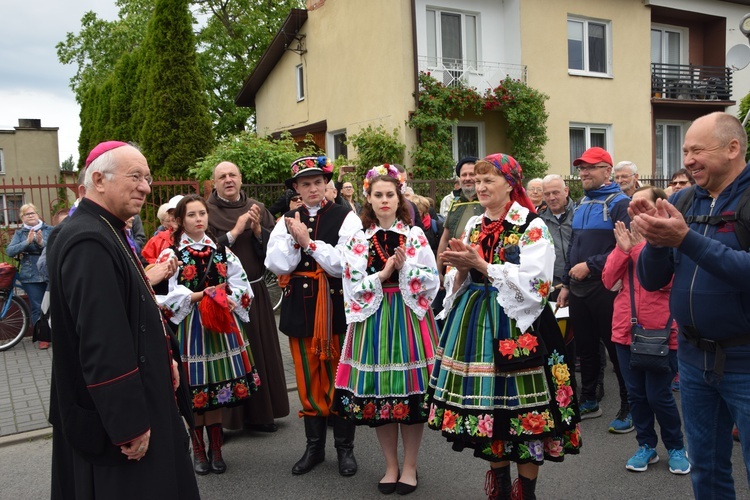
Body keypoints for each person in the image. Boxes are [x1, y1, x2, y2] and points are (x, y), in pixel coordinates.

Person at [47, 141, 199, 500]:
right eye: (135, 177)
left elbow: (135, 309)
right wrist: (128, 425)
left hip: (142, 392)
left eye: (146, 178)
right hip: (119, 421)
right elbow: (103, 342)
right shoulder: (89, 239)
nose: (145, 187)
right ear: (98, 179)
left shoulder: (106, 228)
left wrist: (167, 357)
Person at [427, 153, 581, 500]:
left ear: (509, 184)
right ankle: (498, 487)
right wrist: (463, 269)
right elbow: (458, 277)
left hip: (521, 323)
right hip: (476, 322)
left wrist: (482, 263)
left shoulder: (532, 224)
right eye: (477, 181)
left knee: (527, 413)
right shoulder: (474, 224)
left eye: (488, 180)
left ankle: (524, 492)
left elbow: (538, 285)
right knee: (490, 411)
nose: (480, 187)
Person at [632, 112, 750, 499]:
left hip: (745, 359)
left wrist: (685, 239)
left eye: (698, 150)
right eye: (685, 151)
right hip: (693, 359)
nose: (688, 160)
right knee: (707, 468)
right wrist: (653, 239)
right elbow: (651, 280)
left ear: (733, 148)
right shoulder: (682, 199)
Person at [332, 165, 438, 495]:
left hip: (408, 317)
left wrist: (405, 269)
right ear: (368, 199)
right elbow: (351, 285)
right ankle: (390, 465)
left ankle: (410, 466)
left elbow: (432, 278)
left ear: (399, 196)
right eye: (378, 195)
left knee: (411, 395)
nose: (384, 200)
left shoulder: (415, 235)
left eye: (389, 194)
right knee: (381, 396)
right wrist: (383, 273)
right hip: (374, 318)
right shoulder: (357, 239)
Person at [265, 155, 362, 477]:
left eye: (318, 182)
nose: (313, 188)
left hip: (335, 308)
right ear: (296, 188)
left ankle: (345, 450)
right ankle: (314, 449)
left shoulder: (346, 216)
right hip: (301, 309)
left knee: (339, 379)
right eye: (305, 184)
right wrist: (296, 243)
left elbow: (343, 266)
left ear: (326, 184)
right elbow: (277, 265)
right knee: (307, 380)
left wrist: (307, 242)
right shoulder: (285, 220)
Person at [156, 194, 260, 475]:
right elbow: (164, 294)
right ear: (180, 220)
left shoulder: (223, 251)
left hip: (221, 326)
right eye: (191, 215)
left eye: (202, 213)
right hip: (193, 328)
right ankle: (198, 450)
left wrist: (228, 297)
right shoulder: (172, 254)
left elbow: (242, 284)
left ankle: (216, 449)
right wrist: (198, 296)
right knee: (195, 392)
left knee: (216, 390)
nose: (199, 219)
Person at [602, 185, 690, 475]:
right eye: (633, 207)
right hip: (625, 332)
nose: (636, 213)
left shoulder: (669, 241)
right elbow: (608, 280)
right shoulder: (627, 241)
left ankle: (676, 447)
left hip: (661, 333)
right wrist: (621, 249)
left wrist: (638, 248)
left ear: (658, 209)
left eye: (644, 206)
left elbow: (661, 281)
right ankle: (646, 446)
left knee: (659, 395)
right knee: (637, 394)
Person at [206, 161, 290, 433]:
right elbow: (204, 255)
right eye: (222, 176)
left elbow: (273, 253)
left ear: (241, 179)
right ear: (214, 183)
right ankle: (229, 421)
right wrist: (234, 231)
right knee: (227, 356)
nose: (228, 180)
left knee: (260, 352)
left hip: (255, 292)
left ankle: (262, 415)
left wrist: (256, 231)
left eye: (232, 175)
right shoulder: (206, 212)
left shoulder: (258, 208)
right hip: (223, 298)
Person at [557, 147, 634, 432]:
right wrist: (566, 282)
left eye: (590, 168)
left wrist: (591, 265)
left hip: (607, 288)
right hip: (578, 289)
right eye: (581, 169)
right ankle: (590, 399)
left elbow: (628, 247)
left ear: (607, 171)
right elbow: (572, 248)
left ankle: (630, 407)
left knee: (617, 351)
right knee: (586, 348)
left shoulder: (621, 204)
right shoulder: (582, 204)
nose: (584, 173)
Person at [6, 203, 53, 332]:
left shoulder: (49, 230)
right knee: (37, 307)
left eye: (33, 213)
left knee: (53, 305)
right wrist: (26, 242)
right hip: (30, 275)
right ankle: (42, 335)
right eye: (27, 214)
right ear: (22, 218)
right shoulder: (20, 233)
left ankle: (57, 334)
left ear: (38, 215)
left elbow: (58, 246)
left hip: (49, 271)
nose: (31, 216)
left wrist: (41, 242)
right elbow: (9, 251)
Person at [538, 174, 574, 302]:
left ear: (566, 191)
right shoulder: (539, 220)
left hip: (578, 280)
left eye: (555, 193)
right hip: (552, 284)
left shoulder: (579, 214)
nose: (551, 198)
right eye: (547, 194)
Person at [141, 195, 182, 264]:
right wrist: (160, 263)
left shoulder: (198, 238)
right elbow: (144, 261)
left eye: (180, 213)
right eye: (172, 214)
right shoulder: (157, 240)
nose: (175, 217)